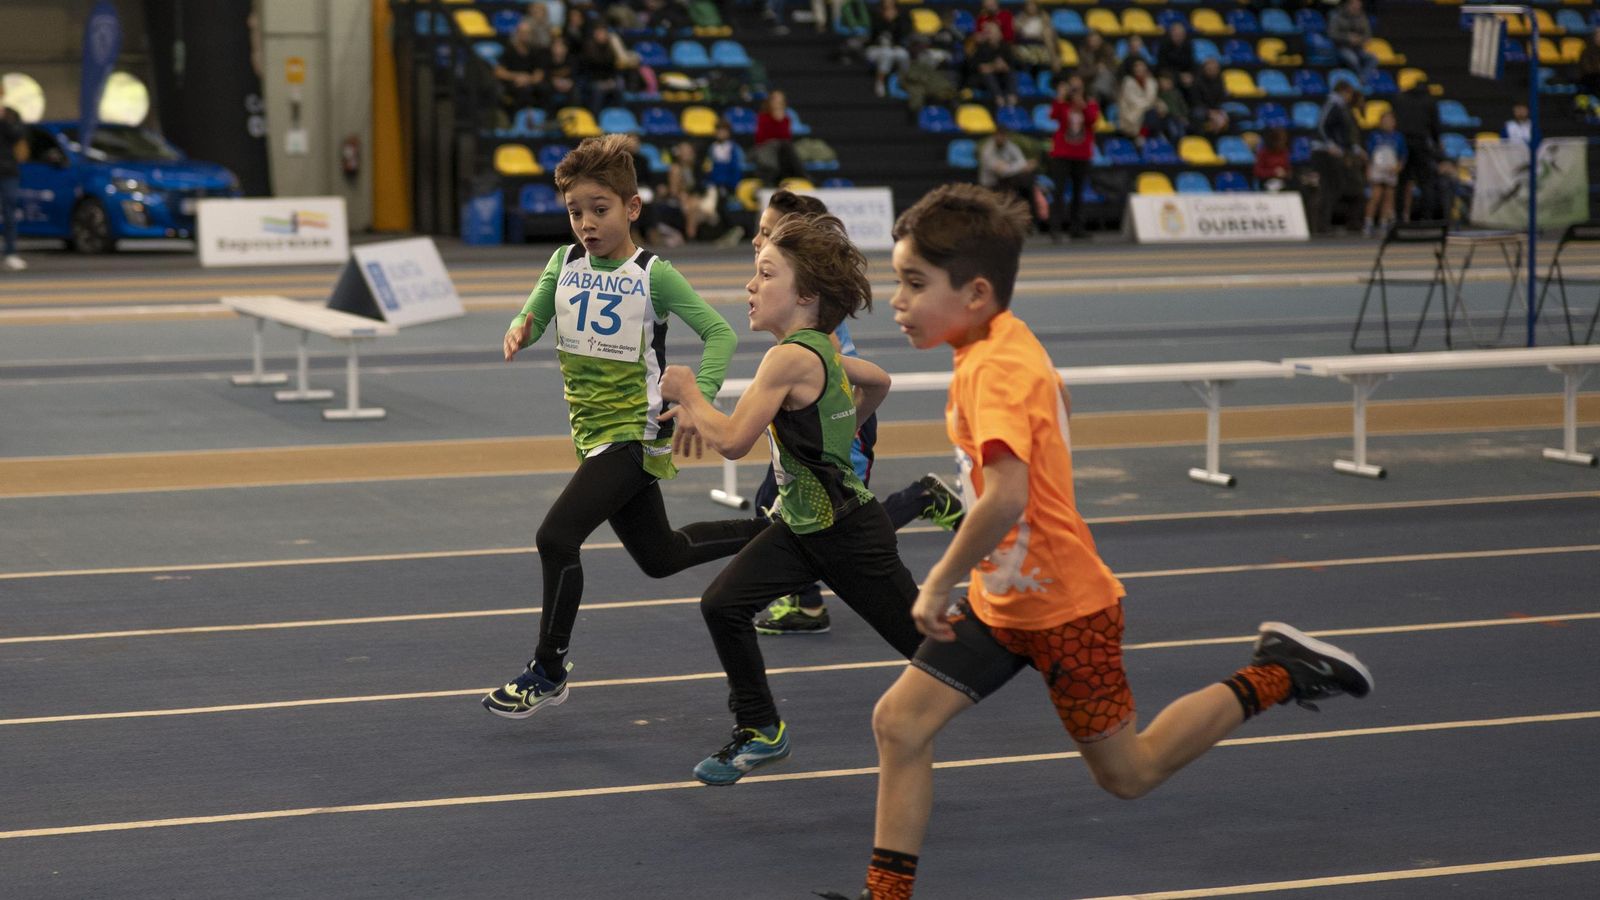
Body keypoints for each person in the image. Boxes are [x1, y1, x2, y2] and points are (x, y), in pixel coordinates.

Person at [820, 183, 1374, 900]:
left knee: (1128, 773)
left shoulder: (995, 368)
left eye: (914, 283)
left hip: (1068, 614)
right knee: (899, 723)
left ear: (977, 292)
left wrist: (936, 579)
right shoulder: (997, 342)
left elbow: (1007, 497)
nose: (896, 299)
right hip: (1004, 605)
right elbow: (1043, 423)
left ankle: (1281, 671)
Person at [483, 134, 767, 720]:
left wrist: (698, 400)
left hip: (636, 434)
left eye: (599, 209)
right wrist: (519, 326)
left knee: (556, 538)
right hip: (591, 434)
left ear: (632, 208)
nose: (585, 223)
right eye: (574, 212)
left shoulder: (653, 274)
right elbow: (536, 311)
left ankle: (549, 668)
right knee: (660, 555)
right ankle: (773, 529)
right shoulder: (562, 262)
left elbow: (721, 333)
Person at [657, 212, 929, 784]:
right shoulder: (820, 349)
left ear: (805, 294)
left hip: (850, 535)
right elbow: (879, 379)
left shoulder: (787, 358)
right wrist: (844, 429)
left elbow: (732, 441)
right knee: (722, 605)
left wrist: (686, 391)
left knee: (933, 655)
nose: (750, 287)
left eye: (764, 274)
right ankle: (760, 729)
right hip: (802, 529)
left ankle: (1022, 643)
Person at [748, 190, 965, 637]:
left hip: (837, 419)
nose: (757, 239)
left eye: (768, 231)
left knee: (843, 521)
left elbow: (832, 374)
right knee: (785, 510)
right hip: (812, 417)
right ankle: (806, 603)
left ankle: (924, 497)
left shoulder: (812, 313)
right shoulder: (789, 296)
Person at [1048, 75, 1097, 241]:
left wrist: (1082, 105)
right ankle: (1055, 229)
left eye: (1078, 87)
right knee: (1059, 191)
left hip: (1082, 154)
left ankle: (1076, 228)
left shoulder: (1090, 103)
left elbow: (1092, 119)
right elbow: (1053, 115)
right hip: (1062, 153)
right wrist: (1060, 98)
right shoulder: (1063, 104)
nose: (1075, 90)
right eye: (1073, 87)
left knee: (1078, 192)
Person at [1312, 82, 1365, 234]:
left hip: (1339, 152)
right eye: (1349, 94)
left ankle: (1351, 222)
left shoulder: (1342, 107)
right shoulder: (1332, 104)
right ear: (1343, 91)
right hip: (1326, 152)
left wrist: (1354, 148)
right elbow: (1321, 126)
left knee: (1342, 186)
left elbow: (1345, 133)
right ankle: (1322, 226)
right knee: (1329, 188)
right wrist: (1330, 145)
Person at [1391, 76, 1441, 222]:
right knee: (1425, 182)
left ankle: (1399, 217)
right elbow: (1435, 126)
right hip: (1420, 143)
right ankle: (1426, 217)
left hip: (1402, 142)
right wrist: (1437, 144)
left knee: (1401, 182)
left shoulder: (1400, 98)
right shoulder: (1430, 100)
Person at [1363, 110, 1406, 237]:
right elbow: (1369, 155)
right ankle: (1368, 223)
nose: (1388, 123)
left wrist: (1398, 167)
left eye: (1390, 120)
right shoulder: (1375, 136)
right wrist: (1369, 169)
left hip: (1391, 169)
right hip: (1377, 169)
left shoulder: (1398, 137)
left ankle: (1383, 223)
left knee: (1388, 197)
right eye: (1385, 120)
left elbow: (1402, 155)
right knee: (1375, 196)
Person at [977, 125, 1035, 210]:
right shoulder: (987, 149)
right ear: (994, 136)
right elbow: (1002, 172)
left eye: (1003, 135)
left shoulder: (1011, 146)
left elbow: (1022, 162)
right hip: (990, 184)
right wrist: (1019, 166)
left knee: (1027, 180)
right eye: (998, 135)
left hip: (1006, 182)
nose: (1001, 138)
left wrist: (1008, 166)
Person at [754, 90, 806, 184]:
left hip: (782, 150)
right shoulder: (763, 117)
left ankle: (800, 176)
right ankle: (801, 175)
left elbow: (786, 137)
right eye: (775, 101)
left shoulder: (786, 119)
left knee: (786, 146)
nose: (778, 104)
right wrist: (775, 121)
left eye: (780, 102)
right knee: (780, 146)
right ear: (769, 102)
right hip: (767, 149)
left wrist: (780, 121)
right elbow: (761, 138)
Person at [0, 80, 25, 272]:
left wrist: (3, 119)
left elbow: (18, 135)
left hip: (8, 171)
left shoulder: (11, 114)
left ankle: (10, 252)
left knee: (9, 212)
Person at [864, 0, 913, 99]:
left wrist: (894, 21)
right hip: (875, 48)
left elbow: (902, 37)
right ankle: (880, 82)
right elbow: (872, 37)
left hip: (893, 47)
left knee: (903, 54)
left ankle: (904, 81)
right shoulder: (874, 14)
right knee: (887, 53)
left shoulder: (901, 16)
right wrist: (884, 20)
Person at [968, 21, 1019, 108]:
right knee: (987, 75)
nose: (992, 34)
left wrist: (1001, 66)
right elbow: (979, 68)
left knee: (1011, 73)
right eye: (990, 32)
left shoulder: (1005, 47)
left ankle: (1012, 97)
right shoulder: (981, 47)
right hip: (982, 81)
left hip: (1000, 78)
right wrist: (994, 66)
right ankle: (998, 98)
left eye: (994, 32)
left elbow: (1011, 65)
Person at [1328, 0, 1377, 83]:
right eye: (1354, 5)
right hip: (1341, 47)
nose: (1356, 7)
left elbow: (1368, 35)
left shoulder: (1362, 17)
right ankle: (1360, 81)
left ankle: (1361, 80)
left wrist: (1359, 39)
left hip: (1358, 48)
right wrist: (1347, 38)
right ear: (1347, 5)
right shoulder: (1337, 15)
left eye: (1358, 5)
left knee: (1373, 59)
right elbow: (1332, 34)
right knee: (1352, 59)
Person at [1117, 58, 1158, 141]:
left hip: (1146, 113)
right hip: (1130, 113)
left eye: (1141, 66)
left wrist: (1150, 104)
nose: (1139, 68)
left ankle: (1147, 140)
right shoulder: (1127, 82)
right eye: (1136, 66)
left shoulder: (1152, 82)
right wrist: (1149, 104)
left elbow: (1152, 98)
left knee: (1156, 115)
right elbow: (1133, 101)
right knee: (1151, 113)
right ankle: (1141, 139)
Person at [1254, 126, 1292, 191]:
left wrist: (1285, 173)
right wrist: (1273, 172)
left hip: (1283, 182)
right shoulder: (1263, 153)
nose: (1283, 143)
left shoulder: (1284, 152)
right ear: (1273, 140)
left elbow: (1288, 170)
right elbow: (1257, 172)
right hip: (1267, 181)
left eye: (1284, 140)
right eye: (1280, 140)